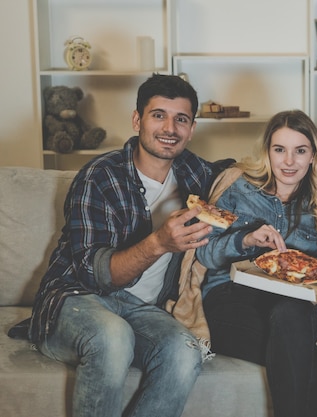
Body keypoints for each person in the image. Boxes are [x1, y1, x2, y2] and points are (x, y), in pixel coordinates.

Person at [26, 74, 224, 417]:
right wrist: (159, 242)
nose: (169, 128)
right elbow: (97, 275)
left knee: (188, 349)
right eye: (158, 115)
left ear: (192, 129)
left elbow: (239, 176)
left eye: (181, 119)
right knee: (113, 337)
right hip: (75, 298)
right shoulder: (99, 177)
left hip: (144, 308)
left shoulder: (195, 172)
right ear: (137, 120)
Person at [195, 110, 317, 417]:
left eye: (300, 151)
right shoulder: (239, 186)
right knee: (307, 358)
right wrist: (245, 240)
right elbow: (204, 253)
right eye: (279, 149)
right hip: (231, 299)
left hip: (291, 304)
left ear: (312, 156)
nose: (289, 161)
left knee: (292, 316)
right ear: (267, 151)